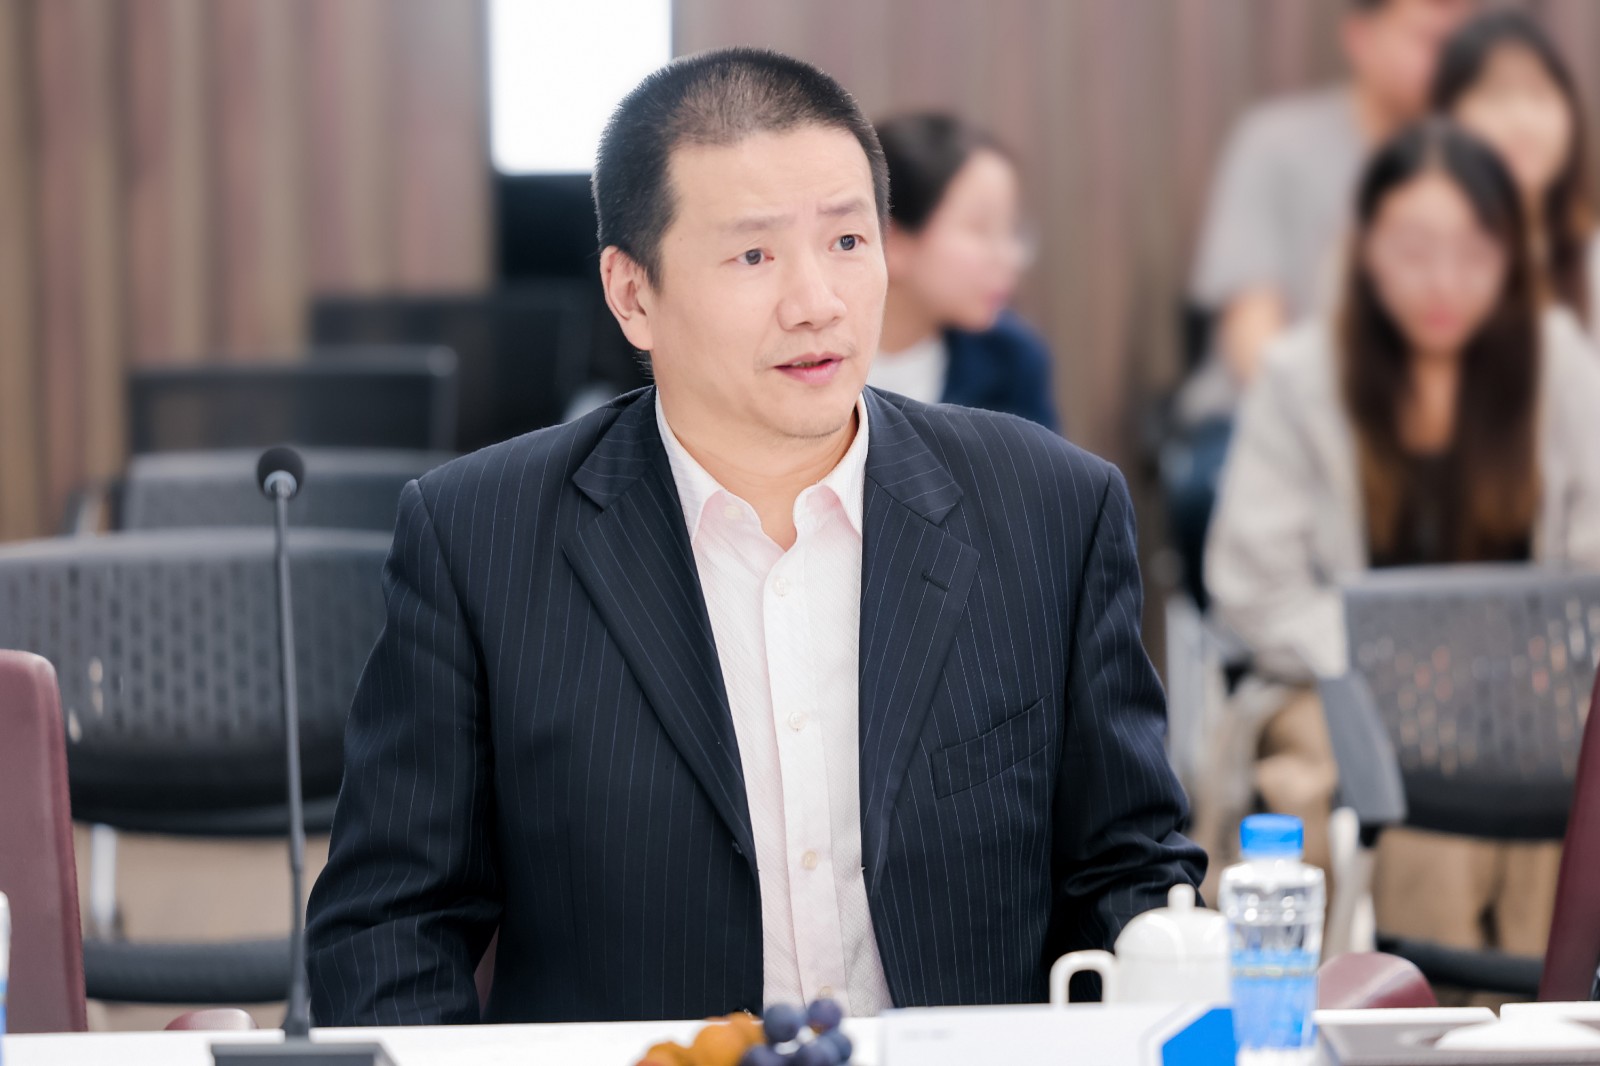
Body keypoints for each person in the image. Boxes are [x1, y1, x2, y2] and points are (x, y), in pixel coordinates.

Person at [305, 47, 1203, 1025]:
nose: (817, 302)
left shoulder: (1050, 510)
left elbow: (1132, 878)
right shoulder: (479, 539)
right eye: (754, 256)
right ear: (632, 294)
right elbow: (390, 927)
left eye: (848, 241)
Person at [1205, 119, 1600, 951]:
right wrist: (1398, 663)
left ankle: (1546, 994)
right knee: (1382, 772)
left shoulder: (1559, 365)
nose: (1443, 282)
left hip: (1531, 691)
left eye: (1474, 253)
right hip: (1341, 684)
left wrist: (1511, 666)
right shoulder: (1301, 377)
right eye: (1414, 251)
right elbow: (1253, 586)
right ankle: (1428, 997)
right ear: (1365, 250)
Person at [1184, 0, 1473, 419]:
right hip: (1260, 417)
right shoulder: (1277, 143)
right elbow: (1251, 333)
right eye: (1429, 40)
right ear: (1361, 38)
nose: (1450, 59)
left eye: (1461, 41)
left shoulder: (1474, 162)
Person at [871, 113, 1059, 431]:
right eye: (980, 228)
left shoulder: (1012, 361)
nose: (1011, 257)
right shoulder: (810, 359)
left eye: (1011, 229)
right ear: (893, 241)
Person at [1432, 9, 1600, 343]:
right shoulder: (1415, 253)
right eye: (1497, 96)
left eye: (1539, 95)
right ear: (1447, 114)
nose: (1523, 121)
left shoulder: (1591, 258)